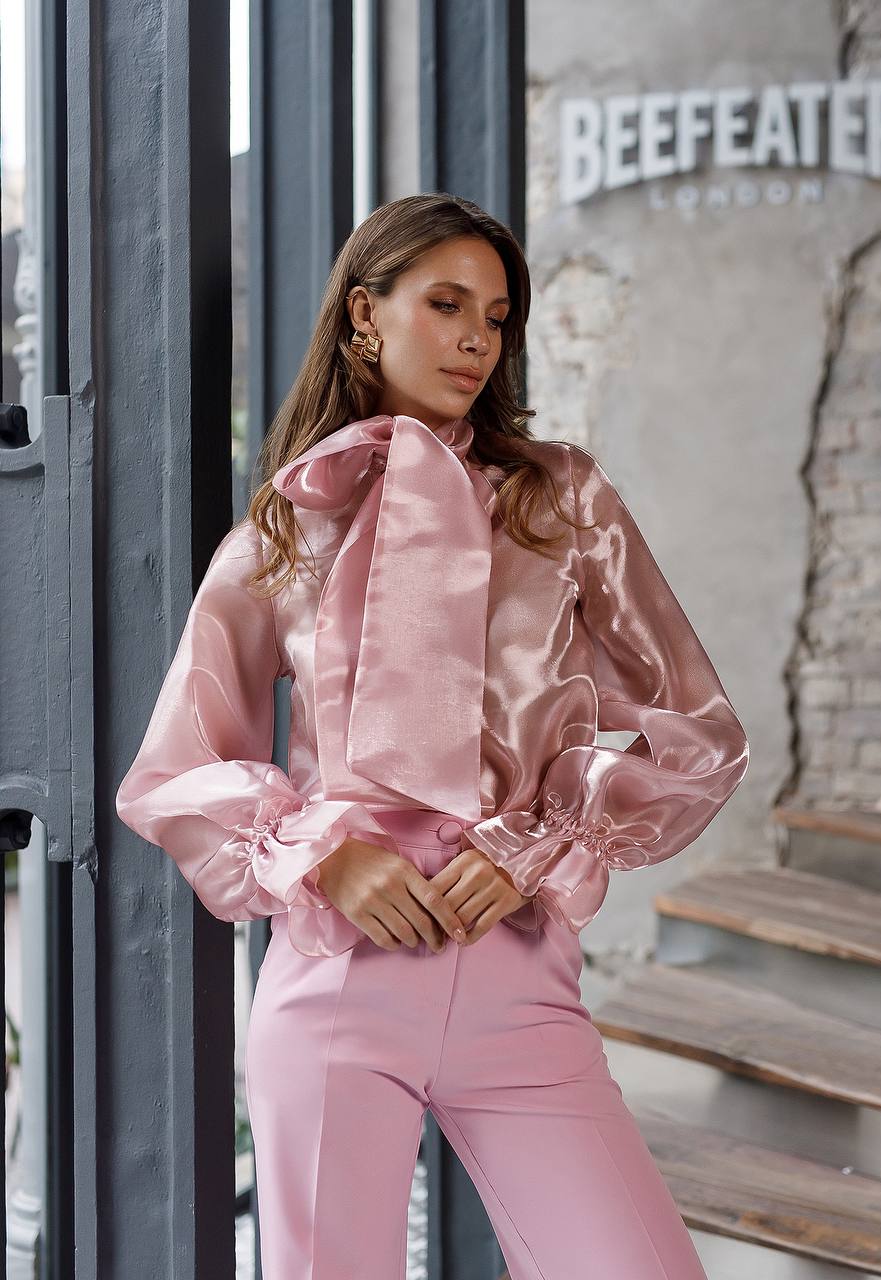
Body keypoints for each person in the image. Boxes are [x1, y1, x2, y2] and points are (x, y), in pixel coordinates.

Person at [115, 191, 749, 1279]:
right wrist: (324, 849)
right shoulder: (287, 524)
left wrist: (544, 844)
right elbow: (173, 768)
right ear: (365, 315)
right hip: (336, 984)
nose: (474, 338)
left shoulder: (562, 500)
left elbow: (697, 731)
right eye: (446, 303)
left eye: (496, 316)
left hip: (516, 975)